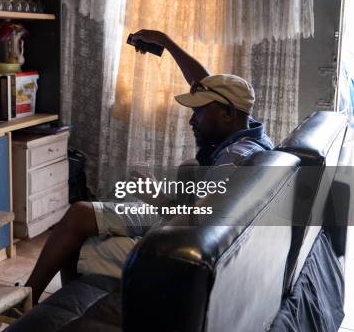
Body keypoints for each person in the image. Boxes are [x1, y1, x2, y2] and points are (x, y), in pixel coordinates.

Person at [24, 30, 273, 304]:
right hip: (182, 223)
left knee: (78, 224)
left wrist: (155, 197)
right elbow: (205, 84)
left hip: (177, 241)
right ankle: (54, 306)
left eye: (199, 112)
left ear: (227, 114)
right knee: (85, 213)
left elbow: (195, 224)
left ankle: (34, 304)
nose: (193, 121)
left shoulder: (233, 161)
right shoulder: (249, 132)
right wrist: (166, 42)